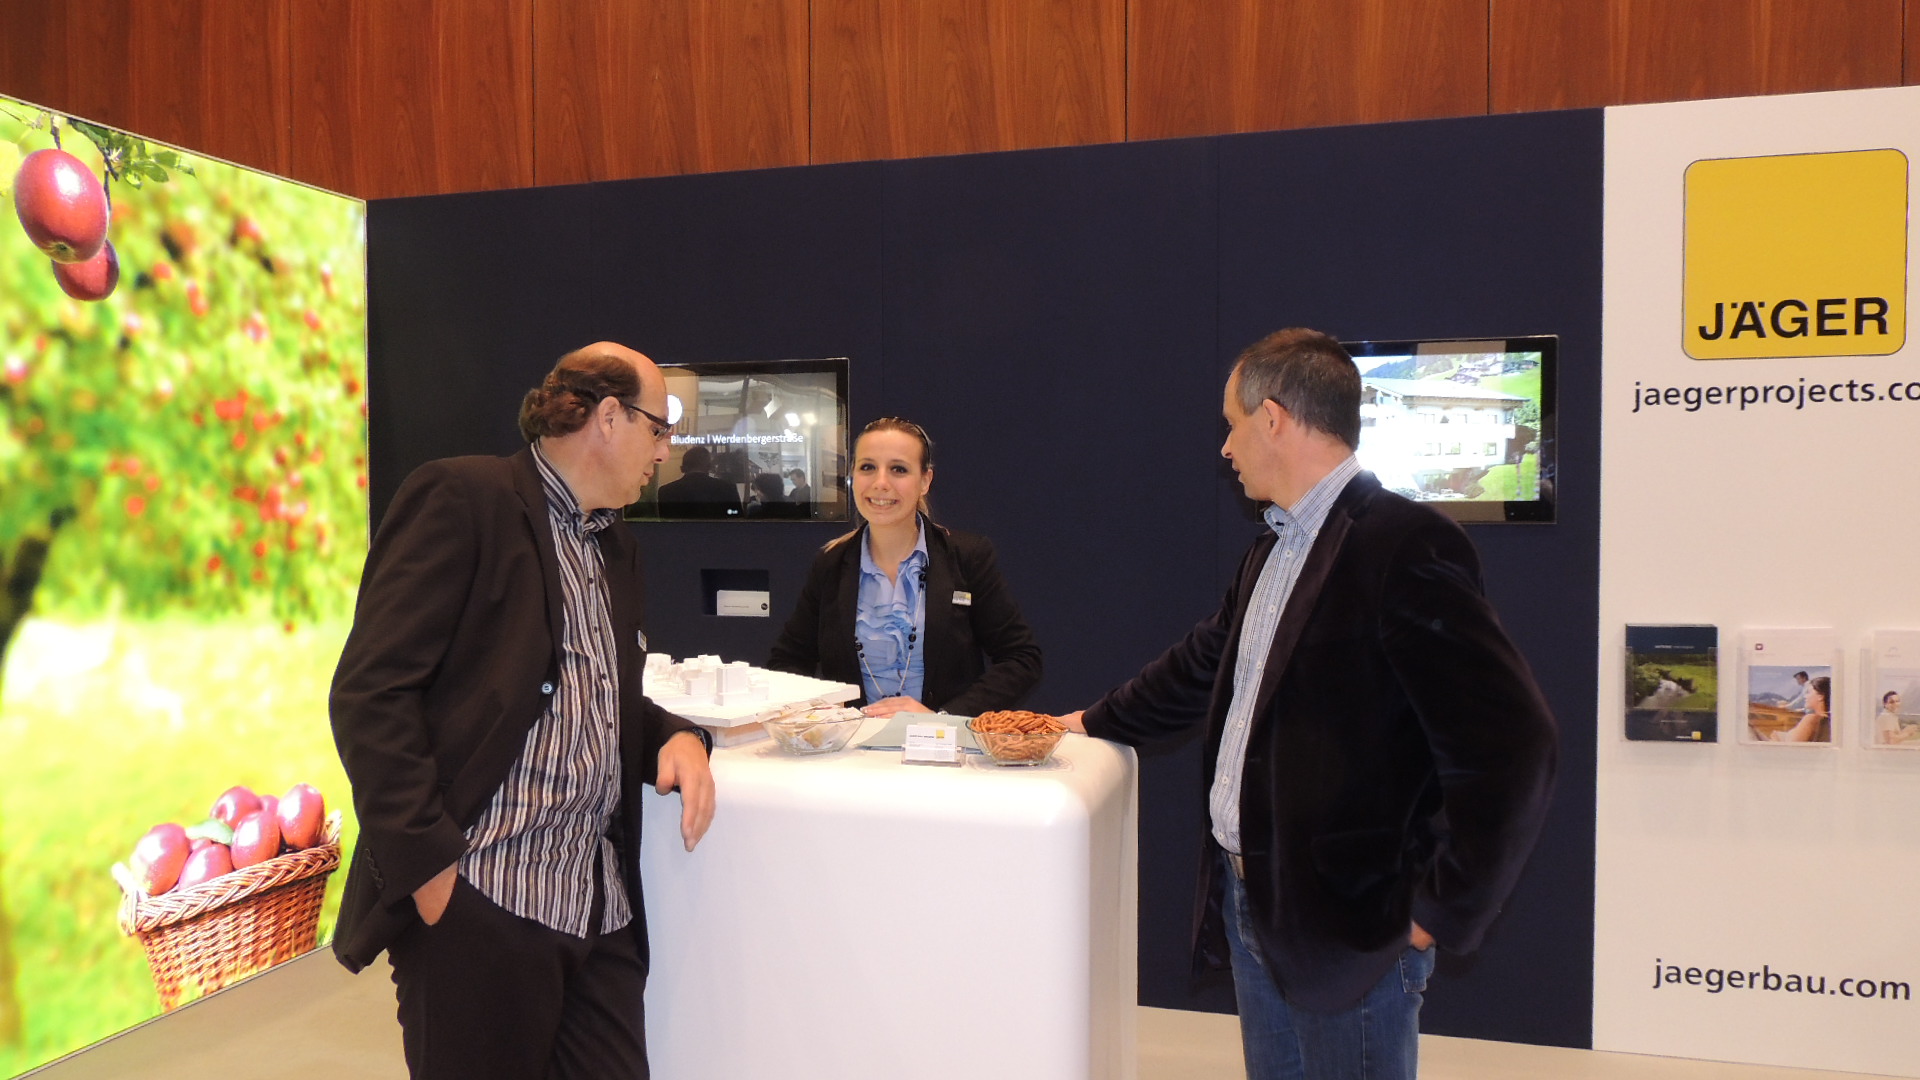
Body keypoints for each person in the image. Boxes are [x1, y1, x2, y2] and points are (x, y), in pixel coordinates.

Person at [1062, 329, 1556, 1080]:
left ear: (1272, 418)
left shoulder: (1405, 543)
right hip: (1256, 904)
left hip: (1354, 926)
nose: (1226, 449)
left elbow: (1514, 742)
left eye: (1232, 425)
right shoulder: (1273, 547)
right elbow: (1204, 665)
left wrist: (1438, 912)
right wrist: (1084, 724)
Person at [329, 342, 718, 1080]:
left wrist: (675, 735)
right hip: (483, 900)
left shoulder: (616, 545)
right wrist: (430, 869)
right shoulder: (463, 499)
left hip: (595, 906)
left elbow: (597, 695)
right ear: (609, 416)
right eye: (659, 428)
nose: (665, 452)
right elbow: (371, 693)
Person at [769, 417, 1042, 718]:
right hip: (854, 742)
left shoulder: (967, 556)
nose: (880, 483)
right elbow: (787, 660)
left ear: (925, 481)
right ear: (852, 476)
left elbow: (1021, 659)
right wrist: (821, 715)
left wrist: (943, 718)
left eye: (898, 469)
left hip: (943, 742)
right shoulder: (831, 563)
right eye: (867, 467)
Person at [657, 444, 742, 518]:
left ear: (682, 468)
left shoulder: (665, 491)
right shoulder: (727, 488)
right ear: (709, 467)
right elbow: (737, 521)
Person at [1771, 675, 1831, 742]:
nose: (1805, 696)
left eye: (1808, 692)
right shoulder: (1830, 720)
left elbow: (1791, 743)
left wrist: (1776, 735)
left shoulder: (1812, 718)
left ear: (1820, 696)